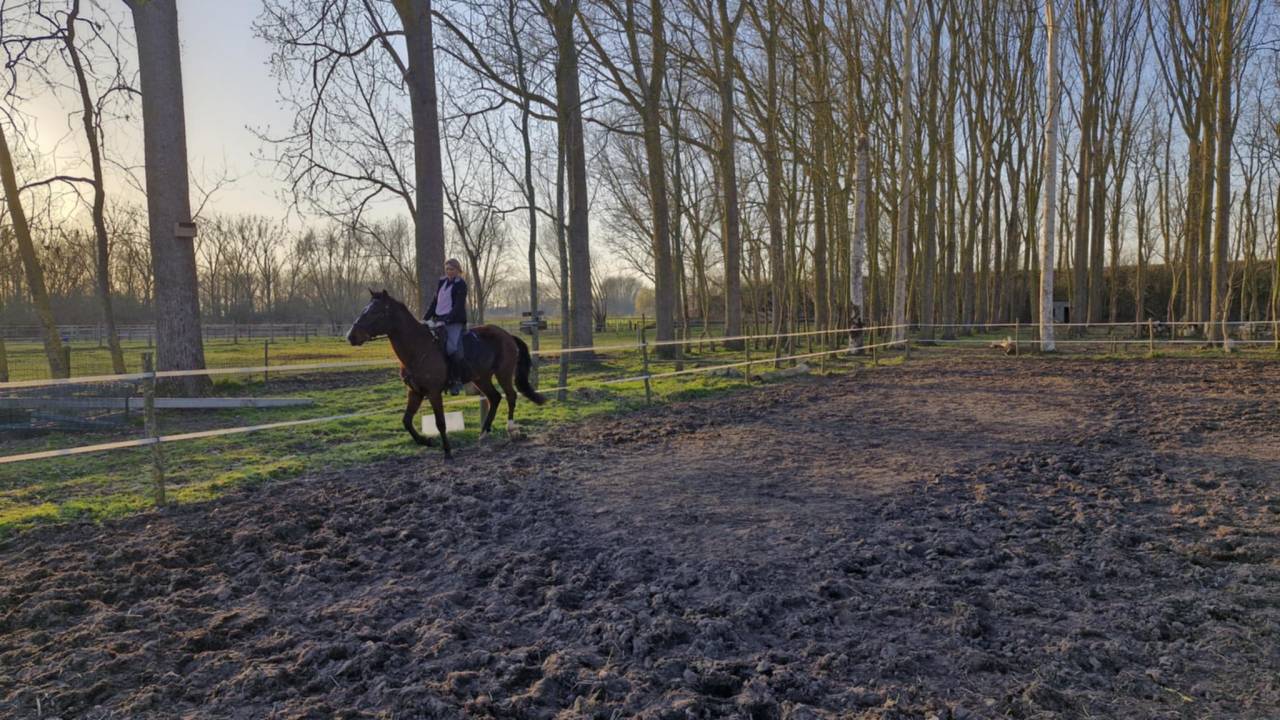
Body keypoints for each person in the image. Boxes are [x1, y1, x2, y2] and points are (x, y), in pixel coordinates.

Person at [424, 259, 468, 394]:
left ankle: (456, 381)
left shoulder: (461, 284)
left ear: (458, 270)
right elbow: (435, 302)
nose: (449, 271)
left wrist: (447, 320)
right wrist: (425, 318)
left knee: (452, 348)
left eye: (452, 269)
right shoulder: (442, 282)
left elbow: (458, 305)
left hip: (454, 321)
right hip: (438, 319)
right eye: (447, 269)